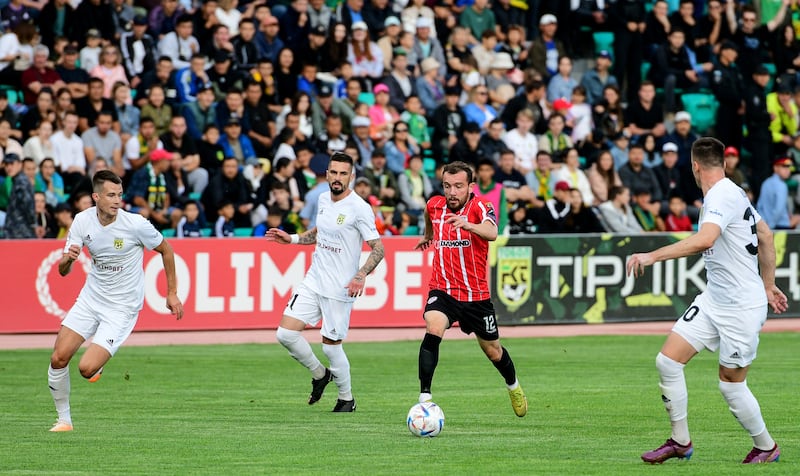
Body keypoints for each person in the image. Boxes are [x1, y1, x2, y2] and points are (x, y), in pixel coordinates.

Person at [627, 137, 787, 465]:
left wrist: (651, 255)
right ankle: (680, 441)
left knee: (731, 386)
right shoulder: (735, 191)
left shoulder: (719, 196)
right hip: (715, 299)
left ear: (694, 167)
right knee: (668, 362)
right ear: (724, 164)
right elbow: (767, 234)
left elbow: (705, 239)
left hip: (741, 308)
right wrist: (768, 284)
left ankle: (766, 446)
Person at [48, 170, 184, 432]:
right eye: (111, 195)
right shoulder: (82, 221)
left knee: (86, 369)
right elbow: (62, 271)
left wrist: (172, 292)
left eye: (119, 195)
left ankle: (97, 364)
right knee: (58, 358)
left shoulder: (135, 224)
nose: (116, 200)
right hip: (91, 299)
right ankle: (64, 420)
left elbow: (166, 249)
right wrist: (68, 260)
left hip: (122, 308)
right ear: (95, 197)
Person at [265, 152, 384, 413]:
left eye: (344, 173)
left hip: (339, 289)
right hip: (314, 280)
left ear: (351, 177)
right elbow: (321, 231)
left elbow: (378, 249)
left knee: (331, 347)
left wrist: (360, 275)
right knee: (285, 334)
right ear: (327, 174)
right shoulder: (322, 199)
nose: (338, 178)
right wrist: (294, 239)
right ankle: (320, 375)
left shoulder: (359, 208)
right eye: (334, 172)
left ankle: (346, 399)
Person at [413, 161, 527, 417]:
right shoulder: (435, 204)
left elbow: (492, 232)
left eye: (458, 186)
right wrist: (428, 235)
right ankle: (425, 399)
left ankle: (514, 386)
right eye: (447, 186)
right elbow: (428, 214)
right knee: (433, 327)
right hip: (443, 289)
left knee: (493, 351)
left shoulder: (481, 207)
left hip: (476, 297)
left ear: (470, 186)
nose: (452, 192)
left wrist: (468, 225)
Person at [756, 157, 800, 230]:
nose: (788, 170)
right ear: (775, 168)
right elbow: (778, 210)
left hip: (766, 223)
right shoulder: (782, 185)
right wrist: (770, 226)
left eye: (789, 167)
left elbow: (759, 207)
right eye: (784, 167)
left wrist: (764, 224)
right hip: (779, 225)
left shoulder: (766, 182)